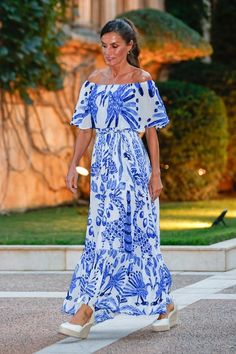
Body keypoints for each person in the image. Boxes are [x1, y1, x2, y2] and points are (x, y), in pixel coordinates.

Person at [59, 18, 178, 339]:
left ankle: (162, 304)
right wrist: (73, 166)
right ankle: (88, 308)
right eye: (104, 46)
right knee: (102, 235)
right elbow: (85, 129)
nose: (108, 52)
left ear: (129, 47)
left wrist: (156, 173)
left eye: (115, 46)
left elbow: (151, 132)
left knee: (137, 234)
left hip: (134, 167)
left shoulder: (142, 80)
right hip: (104, 168)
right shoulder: (93, 82)